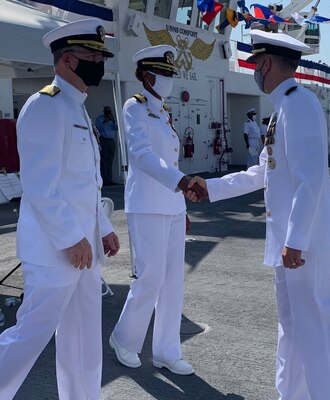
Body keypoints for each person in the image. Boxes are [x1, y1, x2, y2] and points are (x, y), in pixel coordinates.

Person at [190, 30, 330, 399]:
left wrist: (295, 242)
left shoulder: (298, 104)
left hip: (304, 242)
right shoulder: (283, 108)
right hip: (292, 242)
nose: (255, 73)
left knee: (315, 330)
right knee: (292, 327)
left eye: (255, 66)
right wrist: (212, 187)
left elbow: (310, 180)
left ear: (265, 64)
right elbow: (264, 172)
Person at [0, 18, 120, 399]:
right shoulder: (45, 105)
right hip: (56, 251)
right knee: (29, 336)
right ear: (67, 59)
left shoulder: (76, 106)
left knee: (83, 339)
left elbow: (85, 184)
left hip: (82, 251)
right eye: (92, 55)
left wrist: (102, 228)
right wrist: (72, 238)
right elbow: (40, 185)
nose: (98, 63)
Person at [109, 45, 206, 376]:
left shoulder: (163, 113)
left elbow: (171, 159)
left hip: (172, 207)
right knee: (149, 278)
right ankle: (124, 339)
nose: (168, 80)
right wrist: (180, 183)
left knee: (173, 281)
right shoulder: (134, 108)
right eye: (163, 74)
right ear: (147, 75)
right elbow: (140, 155)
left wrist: (181, 204)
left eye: (170, 74)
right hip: (147, 205)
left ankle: (166, 350)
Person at [95, 105, 118, 185]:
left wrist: (113, 121)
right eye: (106, 111)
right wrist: (105, 122)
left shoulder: (113, 118)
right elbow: (97, 129)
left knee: (110, 161)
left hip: (111, 141)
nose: (108, 113)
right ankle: (104, 180)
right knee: (103, 160)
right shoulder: (99, 119)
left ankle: (109, 180)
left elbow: (116, 128)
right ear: (104, 111)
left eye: (109, 111)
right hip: (103, 140)